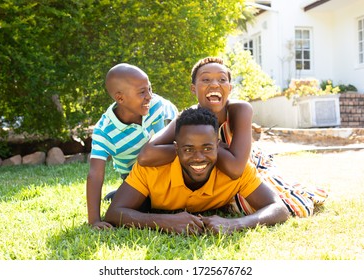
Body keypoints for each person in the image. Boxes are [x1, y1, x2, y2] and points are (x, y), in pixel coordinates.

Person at [137, 56, 328, 218]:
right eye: (205, 80)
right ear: (193, 89)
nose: (214, 84)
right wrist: (196, 149)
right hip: (213, 171)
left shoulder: (239, 109)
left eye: (222, 80)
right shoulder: (187, 118)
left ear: (229, 88)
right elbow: (146, 156)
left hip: (250, 163)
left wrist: (212, 147)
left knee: (290, 206)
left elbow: (236, 168)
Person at [105, 107, 290, 234]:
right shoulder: (151, 169)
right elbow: (114, 213)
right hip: (151, 199)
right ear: (175, 148)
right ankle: (118, 192)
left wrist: (234, 224)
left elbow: (279, 208)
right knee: (134, 202)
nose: (199, 157)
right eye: (188, 149)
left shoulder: (236, 171)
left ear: (218, 146)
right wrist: (164, 222)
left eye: (207, 148)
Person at [86, 63, 178, 229]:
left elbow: (179, 127)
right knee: (142, 208)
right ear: (120, 98)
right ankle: (121, 194)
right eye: (142, 92)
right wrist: (94, 221)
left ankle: (119, 195)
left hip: (167, 169)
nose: (149, 96)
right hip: (136, 181)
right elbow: (95, 174)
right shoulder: (104, 131)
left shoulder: (158, 105)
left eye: (149, 89)